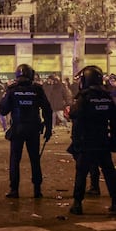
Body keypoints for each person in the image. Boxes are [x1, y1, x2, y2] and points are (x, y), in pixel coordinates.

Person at [67, 65, 116, 215]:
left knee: (81, 173)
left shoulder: (84, 97)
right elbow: (114, 120)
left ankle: (77, 204)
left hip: (87, 141)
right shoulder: (107, 97)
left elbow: (75, 115)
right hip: (102, 140)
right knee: (109, 172)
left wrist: (76, 142)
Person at [0, 64, 53, 198]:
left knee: (15, 160)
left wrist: (5, 95)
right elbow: (47, 109)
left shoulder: (12, 90)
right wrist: (49, 128)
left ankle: (14, 190)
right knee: (35, 159)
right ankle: (37, 190)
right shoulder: (37, 89)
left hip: (18, 129)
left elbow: (3, 109)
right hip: (33, 129)